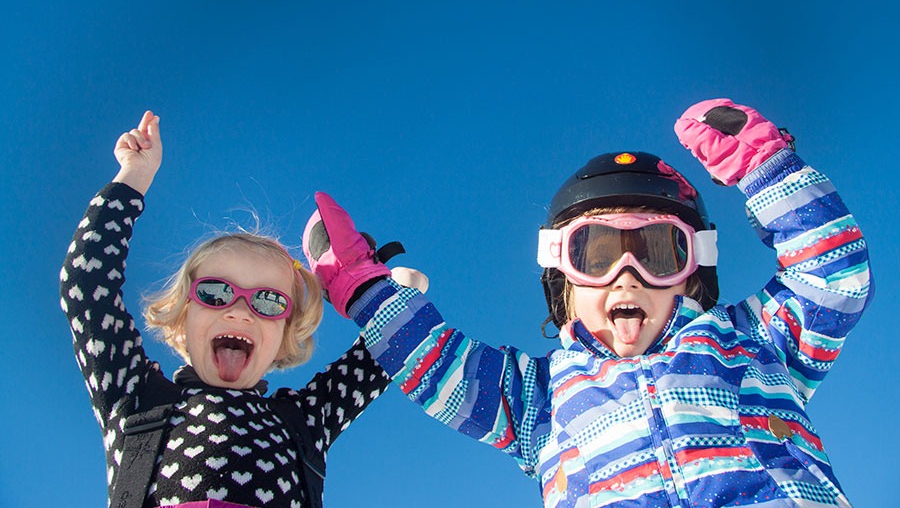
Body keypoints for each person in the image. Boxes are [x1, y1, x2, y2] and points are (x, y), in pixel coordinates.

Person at [302, 99, 873, 507]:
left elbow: (831, 276)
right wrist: (362, 285)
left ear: (692, 273)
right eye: (595, 255)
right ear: (563, 284)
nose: (628, 276)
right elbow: (437, 363)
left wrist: (768, 169)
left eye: (657, 250)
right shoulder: (541, 400)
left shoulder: (756, 346)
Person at [59, 111, 392, 508]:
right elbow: (86, 286)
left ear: (286, 335)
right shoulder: (136, 399)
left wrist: (385, 294)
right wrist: (133, 177)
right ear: (182, 318)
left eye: (268, 300)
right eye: (215, 293)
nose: (240, 310)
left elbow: (386, 348)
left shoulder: (303, 421)